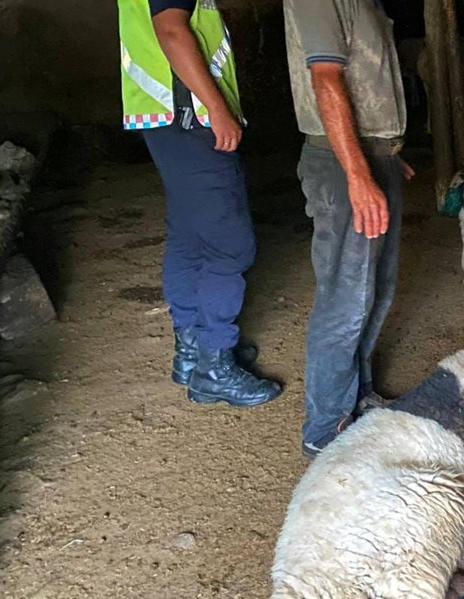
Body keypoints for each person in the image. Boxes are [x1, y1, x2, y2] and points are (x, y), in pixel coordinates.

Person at [118, 0, 282, 407]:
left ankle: (192, 350)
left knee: (189, 235)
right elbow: (172, 32)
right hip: (189, 119)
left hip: (169, 120)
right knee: (230, 244)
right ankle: (214, 366)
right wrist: (217, 108)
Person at [283, 0, 414, 459]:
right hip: (342, 164)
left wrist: (385, 153)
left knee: (376, 289)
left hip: (372, 155)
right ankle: (325, 426)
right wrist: (358, 174)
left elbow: (366, 83)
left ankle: (356, 398)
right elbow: (325, 78)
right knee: (346, 296)